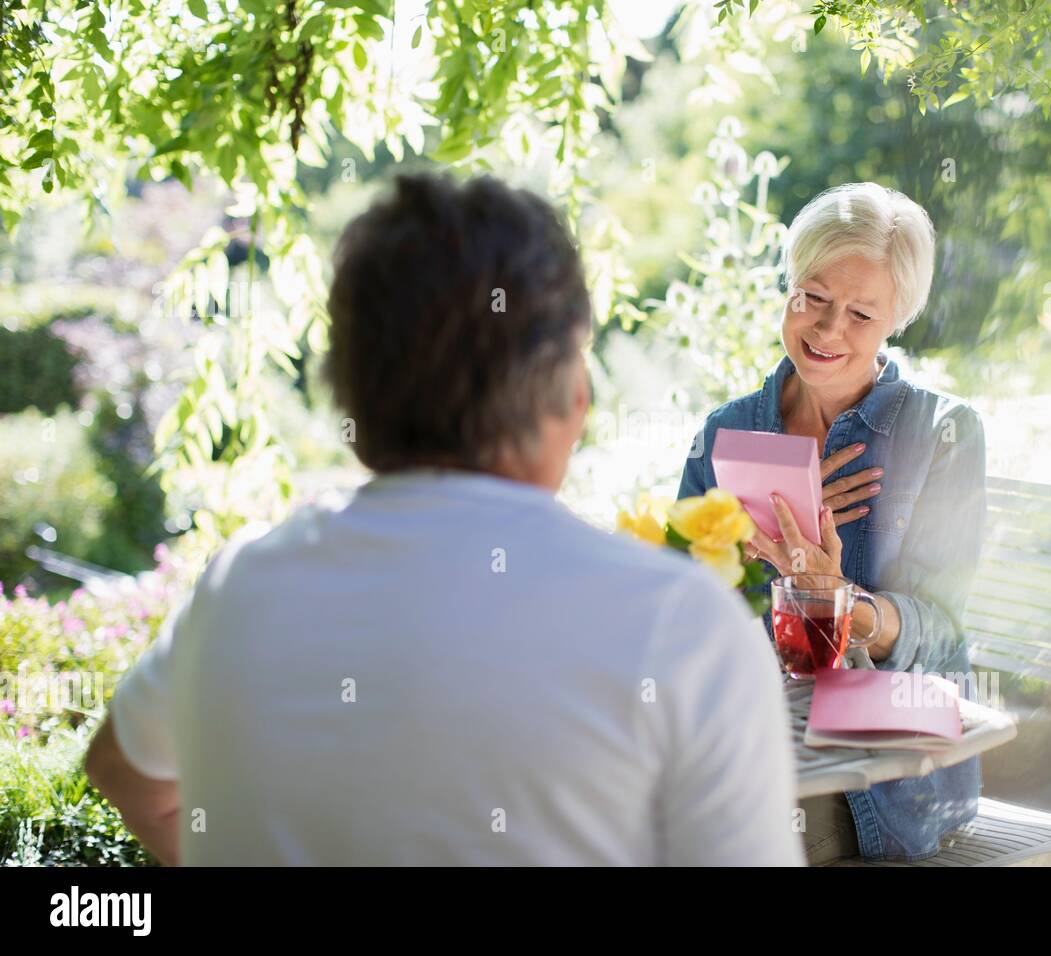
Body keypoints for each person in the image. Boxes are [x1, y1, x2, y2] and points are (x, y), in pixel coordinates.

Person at [85, 173, 804, 866]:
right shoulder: (681, 629)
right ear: (573, 397)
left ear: (351, 396)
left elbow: (124, 772)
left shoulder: (237, 588)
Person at [678, 182, 986, 863]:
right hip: (753, 741)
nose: (827, 330)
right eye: (812, 297)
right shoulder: (728, 431)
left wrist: (839, 599)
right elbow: (680, 615)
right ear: (789, 283)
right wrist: (741, 561)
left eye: (861, 314)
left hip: (891, 767)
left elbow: (942, 631)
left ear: (898, 318)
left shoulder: (943, 433)